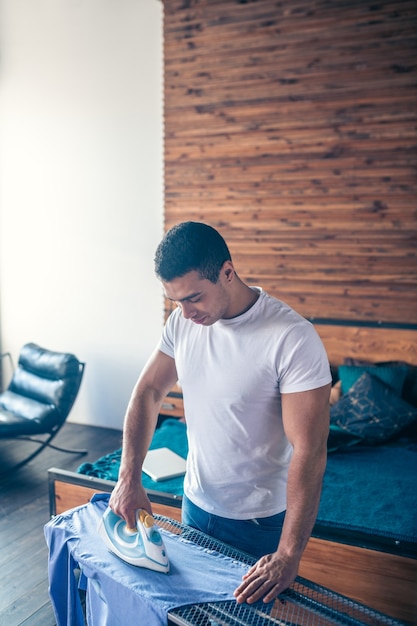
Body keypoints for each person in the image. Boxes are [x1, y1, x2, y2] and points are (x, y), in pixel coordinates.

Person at [109, 221, 331, 605]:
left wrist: (288, 554)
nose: (185, 312)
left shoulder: (291, 338)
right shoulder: (182, 322)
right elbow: (147, 392)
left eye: (194, 297)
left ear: (227, 272)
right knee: (196, 613)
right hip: (195, 504)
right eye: (175, 301)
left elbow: (310, 450)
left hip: (259, 523)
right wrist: (129, 477)